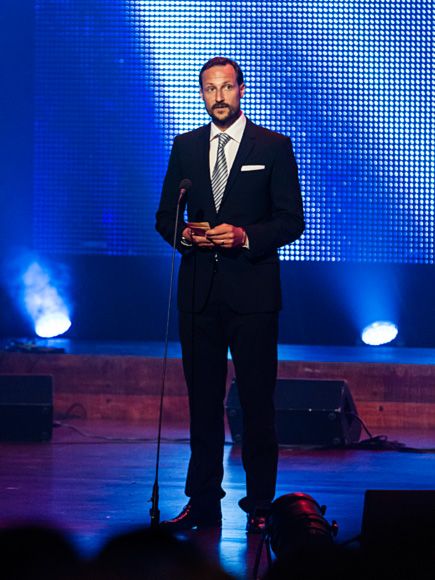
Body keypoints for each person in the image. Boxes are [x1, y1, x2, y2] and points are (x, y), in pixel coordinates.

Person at [155, 56, 304, 533]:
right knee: (202, 405)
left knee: (256, 404)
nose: (217, 97)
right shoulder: (186, 146)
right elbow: (165, 217)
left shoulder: (273, 146)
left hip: (253, 295)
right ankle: (203, 503)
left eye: (226, 87)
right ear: (201, 94)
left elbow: (291, 220)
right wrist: (186, 235)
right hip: (199, 295)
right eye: (209, 89)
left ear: (241, 90)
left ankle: (260, 504)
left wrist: (244, 237)